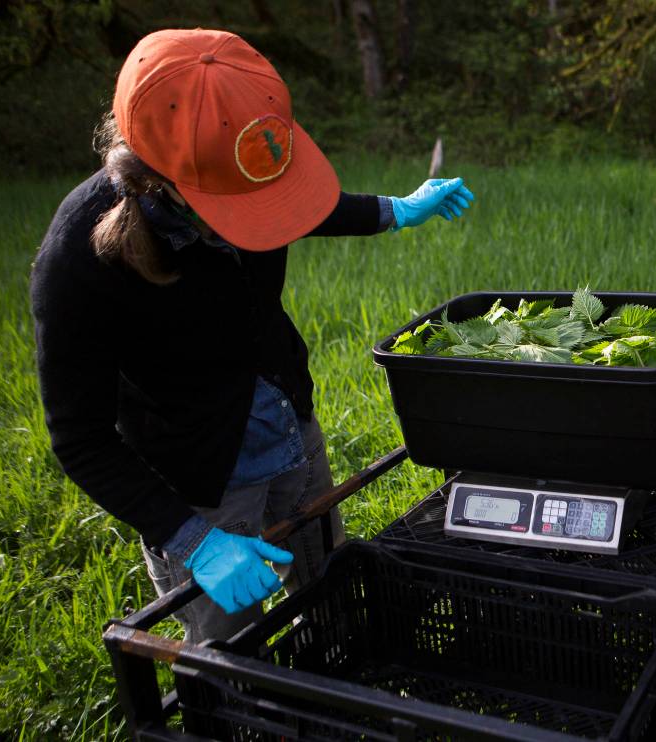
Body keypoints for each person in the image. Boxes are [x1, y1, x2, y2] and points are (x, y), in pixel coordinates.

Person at [30, 28, 474, 643]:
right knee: (235, 664)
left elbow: (296, 207)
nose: (263, 220)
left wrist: (394, 210)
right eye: (240, 208)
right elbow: (79, 437)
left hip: (292, 431)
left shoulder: (245, 171)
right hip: (203, 487)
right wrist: (195, 541)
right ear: (165, 184)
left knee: (331, 602)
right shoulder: (79, 260)